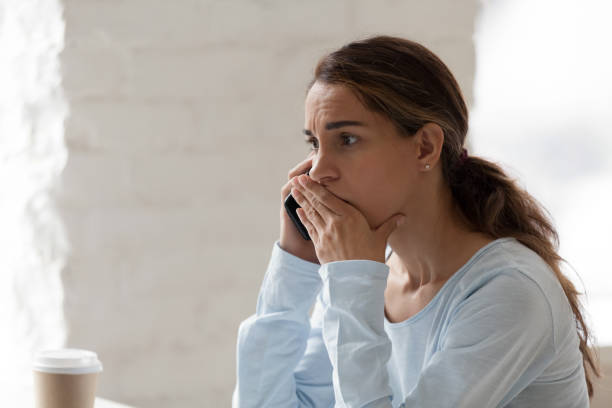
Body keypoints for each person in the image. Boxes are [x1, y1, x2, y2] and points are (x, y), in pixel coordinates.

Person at [231, 35, 600, 407]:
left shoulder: (510, 293)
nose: (319, 171)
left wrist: (353, 282)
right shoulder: (363, 276)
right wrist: (296, 264)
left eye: (347, 139)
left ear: (425, 147)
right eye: (315, 144)